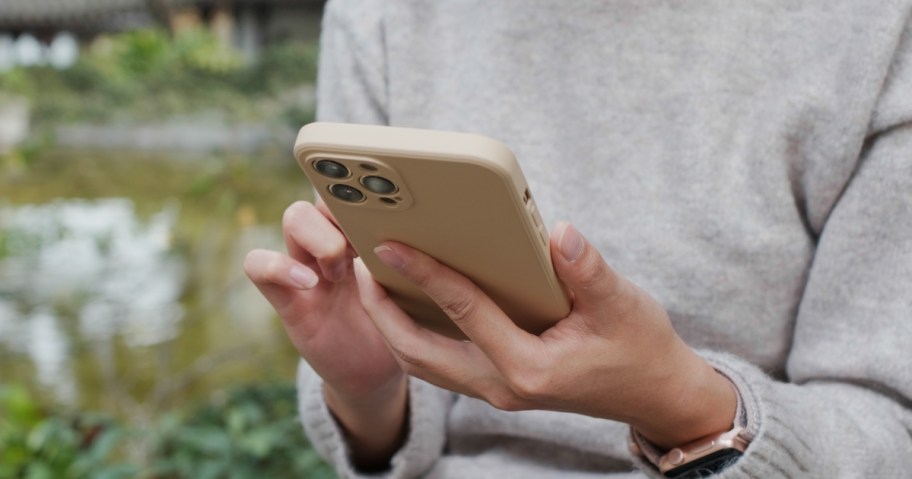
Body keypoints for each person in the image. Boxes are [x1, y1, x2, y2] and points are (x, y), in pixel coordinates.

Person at [244, 1, 912, 477]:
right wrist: (370, 384)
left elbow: (892, 429)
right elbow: (384, 444)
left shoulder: (874, 26)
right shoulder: (383, 15)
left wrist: (677, 400)